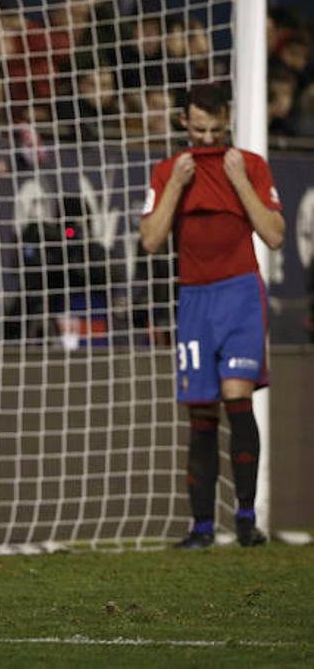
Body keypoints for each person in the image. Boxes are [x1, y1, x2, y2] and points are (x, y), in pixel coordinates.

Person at [139, 83, 284, 549]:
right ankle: (201, 526)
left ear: (227, 122)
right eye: (198, 130)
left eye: (215, 130)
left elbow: (275, 235)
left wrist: (240, 180)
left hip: (240, 292)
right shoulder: (167, 171)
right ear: (184, 123)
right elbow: (151, 240)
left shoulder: (251, 165)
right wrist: (176, 186)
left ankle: (245, 518)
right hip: (195, 298)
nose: (206, 140)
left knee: (236, 395)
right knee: (201, 409)